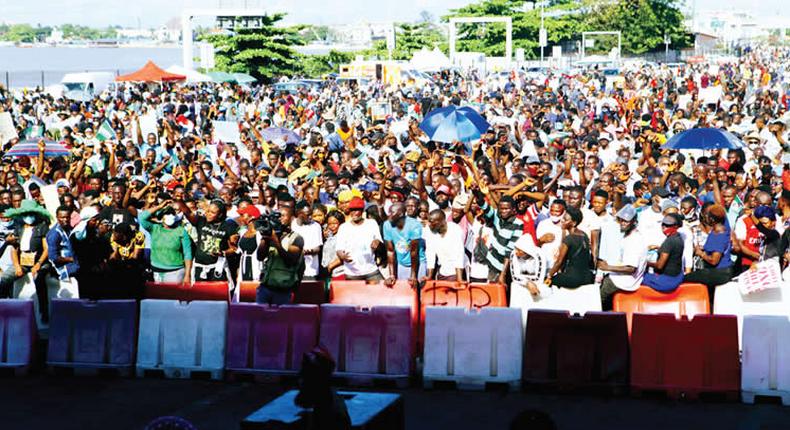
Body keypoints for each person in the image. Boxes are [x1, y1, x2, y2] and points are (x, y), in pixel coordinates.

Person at [6, 200, 52, 322]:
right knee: (4, 279)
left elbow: (46, 249)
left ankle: (44, 311)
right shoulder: (19, 228)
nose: (29, 216)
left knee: (39, 278)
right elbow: (14, 249)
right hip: (22, 262)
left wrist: (38, 264)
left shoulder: (42, 227)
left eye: (31, 213)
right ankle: (5, 308)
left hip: (39, 261)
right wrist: (16, 266)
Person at [597, 205, 647, 310]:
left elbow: (630, 268)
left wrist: (607, 267)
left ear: (633, 221)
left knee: (596, 300)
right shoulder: (628, 236)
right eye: (621, 220)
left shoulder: (634, 240)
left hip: (624, 281)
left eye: (626, 221)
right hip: (621, 277)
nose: (623, 223)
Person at [684, 204, 733, 302]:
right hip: (719, 271)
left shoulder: (718, 234)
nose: (705, 218)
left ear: (712, 220)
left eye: (707, 216)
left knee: (685, 279)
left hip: (720, 273)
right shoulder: (719, 228)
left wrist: (700, 253)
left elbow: (714, 260)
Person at [256, 207, 304, 304]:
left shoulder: (296, 238)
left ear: (291, 218)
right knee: (260, 317)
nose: (279, 219)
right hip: (265, 287)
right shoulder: (270, 235)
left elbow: (291, 261)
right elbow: (260, 256)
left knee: (281, 318)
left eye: (283, 216)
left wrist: (276, 243)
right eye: (277, 217)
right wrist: (265, 238)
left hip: (283, 290)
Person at [139, 199, 193, 285]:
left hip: (175, 272)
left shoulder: (181, 231)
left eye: (172, 214)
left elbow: (188, 254)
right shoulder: (155, 228)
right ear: (162, 217)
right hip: (156, 272)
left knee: (172, 296)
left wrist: (187, 275)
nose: (170, 216)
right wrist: (159, 206)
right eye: (167, 214)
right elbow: (142, 217)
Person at [334, 197, 384, 282]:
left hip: (371, 270)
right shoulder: (344, 227)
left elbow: (380, 244)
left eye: (356, 210)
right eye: (351, 210)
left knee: (381, 292)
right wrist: (342, 256)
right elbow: (339, 249)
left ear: (362, 210)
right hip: (352, 273)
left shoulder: (371, 223)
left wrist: (377, 243)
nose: (353, 213)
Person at [545, 206, 594, 289]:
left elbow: (559, 262)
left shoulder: (569, 239)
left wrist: (549, 276)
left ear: (574, 223)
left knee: (547, 282)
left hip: (573, 279)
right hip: (587, 277)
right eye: (563, 218)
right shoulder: (584, 235)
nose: (562, 221)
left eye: (565, 220)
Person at [383, 202, 424, 286]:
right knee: (403, 290)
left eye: (392, 212)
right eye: (389, 212)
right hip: (401, 263)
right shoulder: (387, 225)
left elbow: (414, 252)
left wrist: (413, 275)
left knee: (418, 290)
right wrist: (391, 275)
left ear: (401, 214)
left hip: (418, 263)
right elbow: (390, 251)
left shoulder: (414, 225)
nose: (389, 214)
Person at [643, 213, 686, 292]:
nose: (664, 227)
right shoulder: (679, 238)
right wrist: (658, 247)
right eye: (663, 224)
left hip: (667, 281)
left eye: (667, 225)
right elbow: (672, 250)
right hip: (677, 277)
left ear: (675, 226)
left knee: (639, 278)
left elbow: (659, 266)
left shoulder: (669, 242)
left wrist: (645, 262)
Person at [423, 209, 466, 282]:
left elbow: (459, 254)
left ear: (441, 222)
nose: (428, 224)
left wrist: (459, 278)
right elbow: (430, 253)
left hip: (456, 273)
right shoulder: (429, 231)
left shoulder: (455, 230)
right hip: (442, 272)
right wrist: (429, 275)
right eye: (429, 221)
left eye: (431, 221)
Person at [291, 200, 323, 281]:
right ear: (298, 213)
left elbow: (318, 248)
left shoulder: (316, 226)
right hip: (293, 271)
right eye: (307, 215)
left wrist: (310, 251)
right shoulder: (292, 226)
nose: (310, 217)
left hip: (310, 271)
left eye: (311, 214)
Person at [46, 205, 80, 282]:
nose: (65, 220)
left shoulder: (69, 229)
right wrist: (71, 259)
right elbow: (53, 257)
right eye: (62, 217)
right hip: (65, 268)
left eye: (67, 217)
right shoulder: (55, 234)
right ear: (57, 217)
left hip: (75, 265)